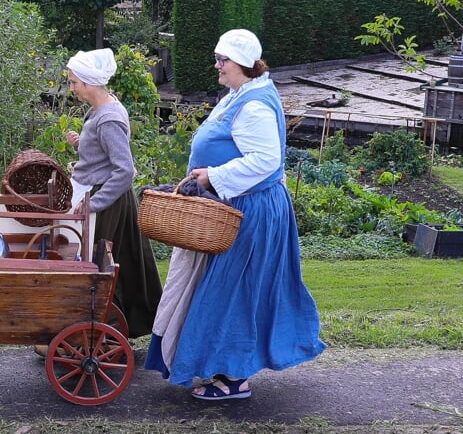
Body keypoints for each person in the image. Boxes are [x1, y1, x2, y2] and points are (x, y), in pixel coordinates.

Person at [144, 29, 325, 400]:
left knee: (235, 293)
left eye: (222, 60)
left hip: (250, 212)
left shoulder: (254, 104)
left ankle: (235, 378)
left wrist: (214, 176)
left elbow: (266, 160)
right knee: (223, 290)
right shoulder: (241, 94)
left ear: (242, 64)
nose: (217, 66)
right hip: (235, 207)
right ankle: (218, 365)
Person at [62, 48, 162, 338]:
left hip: (109, 204)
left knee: (103, 268)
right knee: (108, 266)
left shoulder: (109, 118)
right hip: (102, 197)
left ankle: (101, 334)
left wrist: (95, 204)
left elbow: (124, 170)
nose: (72, 89)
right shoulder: (101, 111)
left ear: (89, 83)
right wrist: (81, 144)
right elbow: (104, 156)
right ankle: (96, 331)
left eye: (74, 83)